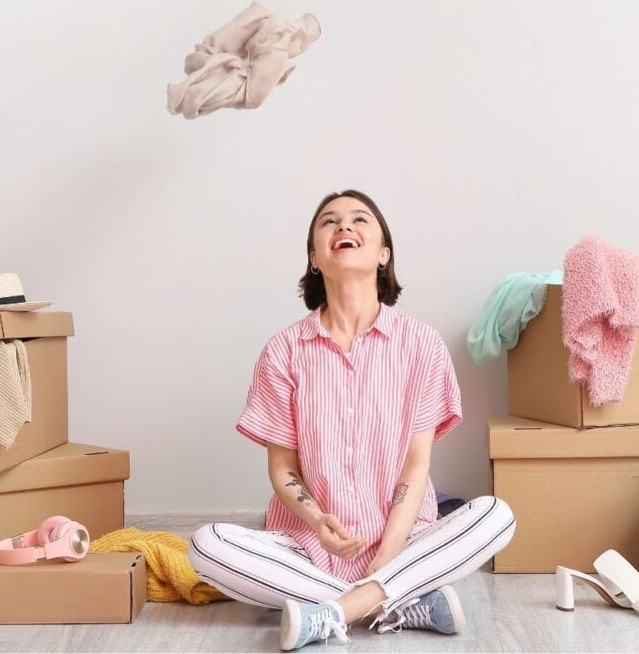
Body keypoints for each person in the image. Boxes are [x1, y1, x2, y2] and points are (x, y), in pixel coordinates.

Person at [189, 190, 516, 651]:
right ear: (314, 257)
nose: (344, 227)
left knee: (496, 515)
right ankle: (397, 602)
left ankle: (337, 612)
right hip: (306, 547)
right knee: (206, 545)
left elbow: (416, 465)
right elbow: (283, 468)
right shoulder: (283, 351)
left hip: (405, 540)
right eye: (329, 222)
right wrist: (318, 518)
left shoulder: (421, 344)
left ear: (383, 253)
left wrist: (389, 549)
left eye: (360, 219)